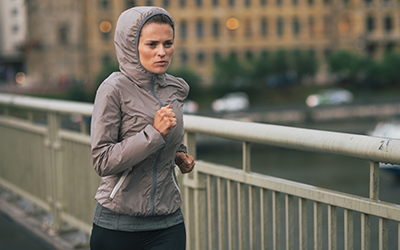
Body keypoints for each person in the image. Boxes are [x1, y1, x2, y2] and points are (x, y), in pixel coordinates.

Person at [89, 6, 195, 250]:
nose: (162, 52)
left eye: (168, 43)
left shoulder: (174, 89)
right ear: (130, 45)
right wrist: (154, 134)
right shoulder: (113, 89)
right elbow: (102, 160)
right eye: (152, 44)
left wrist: (179, 154)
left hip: (169, 221)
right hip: (118, 224)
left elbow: (171, 139)